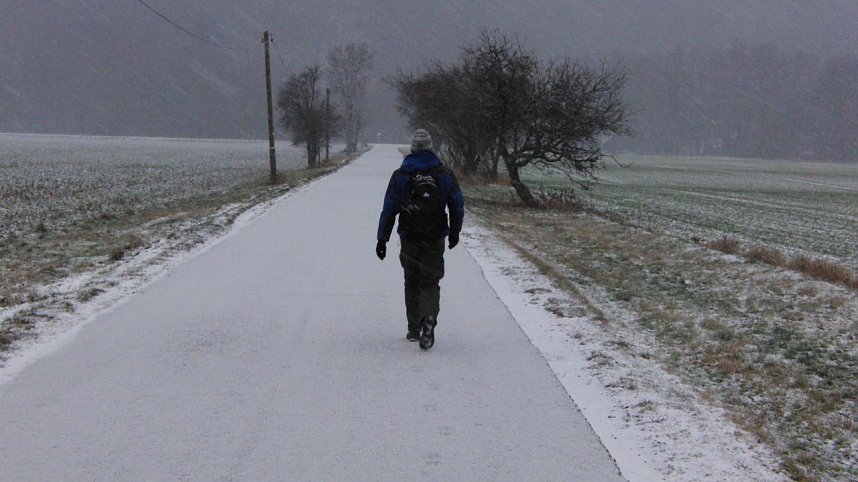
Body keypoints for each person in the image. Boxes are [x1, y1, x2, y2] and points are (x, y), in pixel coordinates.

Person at [376, 129, 464, 350]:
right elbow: (457, 205)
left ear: (413, 148)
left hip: (409, 235)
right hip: (434, 236)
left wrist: (382, 239)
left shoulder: (402, 175)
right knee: (430, 281)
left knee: (411, 280)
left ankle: (414, 329)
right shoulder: (444, 174)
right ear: (430, 147)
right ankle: (429, 317)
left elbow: (389, 208)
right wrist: (454, 232)